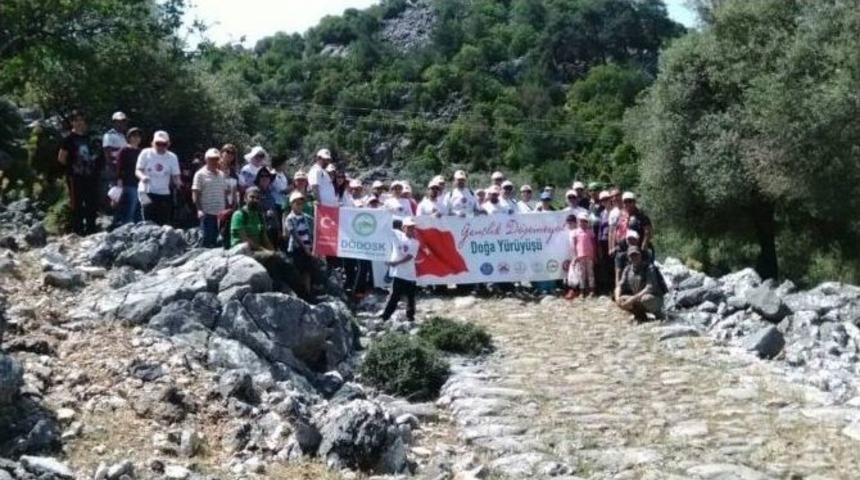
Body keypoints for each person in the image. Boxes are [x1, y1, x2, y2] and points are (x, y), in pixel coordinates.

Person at [58, 110, 102, 235]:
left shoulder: (89, 138)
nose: (79, 123)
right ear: (72, 122)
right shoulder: (68, 139)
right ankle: (78, 230)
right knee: (76, 204)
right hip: (75, 177)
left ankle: (91, 229)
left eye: (81, 120)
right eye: (76, 120)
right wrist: (72, 168)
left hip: (90, 176)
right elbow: (61, 158)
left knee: (91, 202)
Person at [136, 130, 181, 226]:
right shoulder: (145, 153)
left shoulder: (172, 157)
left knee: (162, 222)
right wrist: (143, 177)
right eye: (158, 143)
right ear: (152, 143)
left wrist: (178, 183)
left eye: (163, 144)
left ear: (168, 144)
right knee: (147, 222)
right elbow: (138, 170)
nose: (160, 146)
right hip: (147, 191)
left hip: (164, 193)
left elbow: (176, 175)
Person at [381, 217, 420, 322]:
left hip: (410, 275)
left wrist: (395, 263)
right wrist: (385, 214)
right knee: (395, 296)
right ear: (403, 228)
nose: (411, 229)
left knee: (411, 298)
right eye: (409, 227)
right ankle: (385, 317)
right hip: (398, 274)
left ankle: (410, 317)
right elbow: (385, 226)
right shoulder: (396, 234)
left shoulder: (415, 242)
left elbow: (409, 257)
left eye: (413, 227)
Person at [616, 246, 665, 322]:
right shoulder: (627, 269)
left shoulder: (649, 267)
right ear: (628, 257)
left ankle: (659, 315)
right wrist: (617, 298)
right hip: (638, 297)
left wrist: (632, 299)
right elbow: (620, 285)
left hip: (654, 297)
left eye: (636, 255)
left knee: (646, 299)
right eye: (631, 255)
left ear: (640, 255)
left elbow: (649, 287)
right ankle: (640, 316)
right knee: (621, 300)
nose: (634, 257)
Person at [192, 148, 229, 248]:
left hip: (220, 215)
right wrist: (199, 210)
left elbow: (224, 193)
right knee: (206, 241)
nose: (214, 161)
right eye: (211, 159)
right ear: (206, 159)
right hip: (207, 213)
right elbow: (195, 193)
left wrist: (226, 209)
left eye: (216, 159)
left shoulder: (221, 174)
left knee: (218, 242)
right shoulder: (200, 174)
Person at [283, 191, 315, 297]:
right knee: (298, 271)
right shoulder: (289, 219)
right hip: (297, 249)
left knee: (308, 271)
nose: (299, 206)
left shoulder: (306, 217)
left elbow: (316, 224)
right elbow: (295, 235)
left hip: (308, 247)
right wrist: (305, 248)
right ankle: (300, 294)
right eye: (297, 203)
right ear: (292, 204)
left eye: (301, 203)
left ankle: (308, 292)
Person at [113, 127, 143, 226]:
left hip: (139, 184)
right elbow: (119, 167)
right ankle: (126, 229)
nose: (136, 138)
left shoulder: (141, 152)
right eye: (133, 136)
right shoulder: (124, 150)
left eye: (138, 136)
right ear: (129, 138)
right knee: (129, 208)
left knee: (139, 209)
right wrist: (119, 182)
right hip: (128, 183)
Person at [566, 213, 597, 299]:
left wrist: (594, 255)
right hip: (580, 256)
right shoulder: (576, 232)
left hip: (589, 255)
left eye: (585, 221)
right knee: (581, 274)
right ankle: (582, 291)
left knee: (590, 273)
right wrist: (575, 256)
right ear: (578, 222)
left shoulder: (590, 231)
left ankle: (592, 290)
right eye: (581, 221)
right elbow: (574, 245)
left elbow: (594, 244)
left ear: (587, 222)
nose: (583, 223)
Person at [102, 111, 128, 190]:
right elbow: (107, 153)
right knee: (114, 193)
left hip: (123, 168)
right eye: (119, 122)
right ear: (114, 123)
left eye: (123, 121)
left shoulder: (124, 136)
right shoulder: (109, 135)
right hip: (113, 168)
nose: (121, 124)